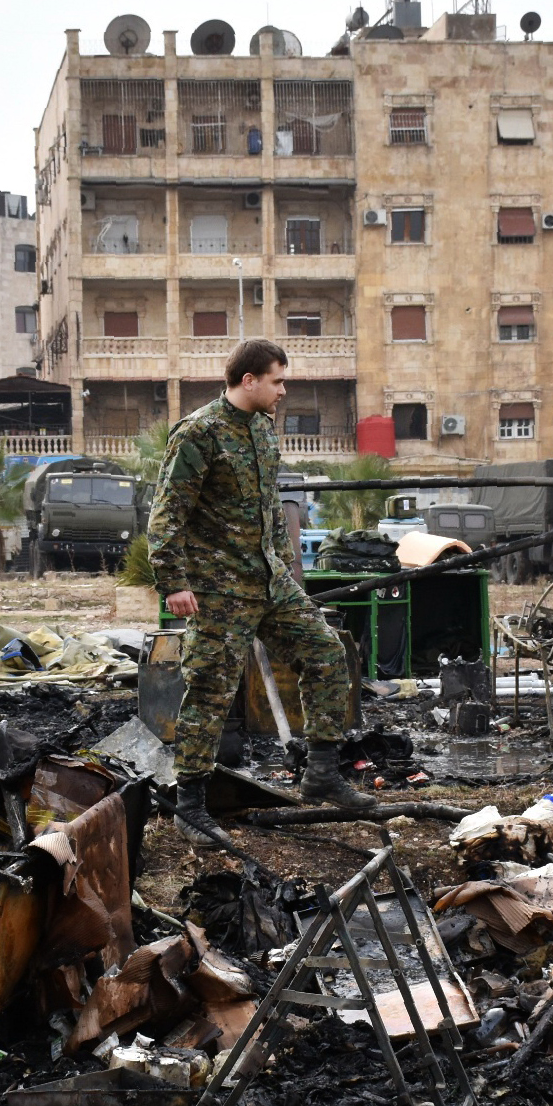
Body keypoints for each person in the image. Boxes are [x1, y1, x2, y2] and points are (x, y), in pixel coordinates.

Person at [146, 338, 376, 846]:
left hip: (270, 583)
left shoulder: (263, 431)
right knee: (210, 690)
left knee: (326, 650)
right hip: (218, 591)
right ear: (248, 380)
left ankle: (320, 771)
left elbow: (271, 506)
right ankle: (190, 807)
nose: (283, 390)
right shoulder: (199, 434)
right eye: (277, 380)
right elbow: (166, 517)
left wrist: (285, 564)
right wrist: (174, 583)